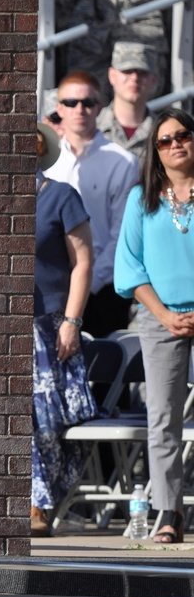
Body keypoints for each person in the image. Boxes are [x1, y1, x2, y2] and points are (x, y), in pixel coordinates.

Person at [115, 108, 194, 544]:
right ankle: (169, 512)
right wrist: (164, 314)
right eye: (165, 140)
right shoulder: (140, 199)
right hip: (159, 318)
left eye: (183, 135)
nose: (176, 144)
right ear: (155, 151)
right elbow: (128, 269)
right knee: (162, 418)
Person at [32, 121, 98, 538]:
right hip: (3, 326)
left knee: (43, 419)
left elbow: (83, 263)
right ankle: (31, 502)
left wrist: (72, 321)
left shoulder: (60, 196)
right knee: (18, 416)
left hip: (50, 326)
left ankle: (39, 504)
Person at [45, 70, 139, 338]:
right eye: (71, 103)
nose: (80, 109)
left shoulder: (122, 161)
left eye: (88, 103)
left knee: (104, 375)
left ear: (100, 107)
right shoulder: (45, 160)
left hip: (102, 290)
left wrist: (91, 282)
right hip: (52, 290)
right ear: (59, 108)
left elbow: (122, 233)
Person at [97, 41, 158, 163]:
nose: (135, 78)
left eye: (142, 73)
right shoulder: (92, 129)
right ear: (112, 75)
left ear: (153, 79)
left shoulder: (163, 134)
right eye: (127, 71)